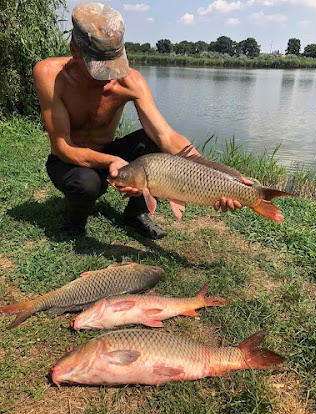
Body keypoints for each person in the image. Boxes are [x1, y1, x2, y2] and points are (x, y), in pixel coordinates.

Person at [33, 2, 250, 239]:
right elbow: (63, 146)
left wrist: (217, 176)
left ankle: (137, 214)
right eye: (100, 69)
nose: (109, 77)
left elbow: (165, 136)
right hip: (69, 160)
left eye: (113, 65)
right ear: (75, 50)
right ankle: (74, 223)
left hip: (110, 152)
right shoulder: (50, 74)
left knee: (155, 145)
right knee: (86, 184)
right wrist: (113, 161)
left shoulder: (131, 81)